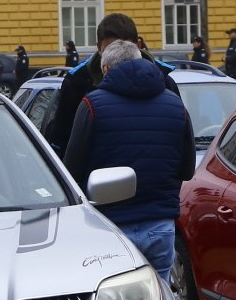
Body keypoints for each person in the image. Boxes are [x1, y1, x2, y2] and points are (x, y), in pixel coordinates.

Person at [62, 39, 194, 280]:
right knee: (161, 299)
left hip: (109, 224)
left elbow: (71, 169)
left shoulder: (92, 105)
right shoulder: (175, 104)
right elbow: (187, 170)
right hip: (159, 222)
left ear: (105, 70)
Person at [42, 14, 180, 150]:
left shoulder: (164, 80)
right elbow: (62, 139)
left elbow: (180, 137)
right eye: (111, 50)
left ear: (138, 45)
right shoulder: (77, 82)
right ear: (99, 48)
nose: (117, 57)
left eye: (124, 49)